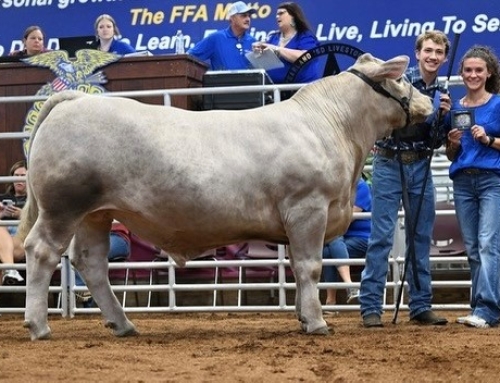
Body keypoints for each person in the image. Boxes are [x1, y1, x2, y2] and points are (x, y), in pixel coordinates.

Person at [359, 30, 452, 327]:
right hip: (389, 163)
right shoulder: (398, 81)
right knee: (381, 237)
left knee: (420, 237)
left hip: (421, 165)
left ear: (444, 57)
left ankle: (421, 305)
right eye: (428, 50)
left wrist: (442, 117)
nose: (433, 56)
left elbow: (436, 141)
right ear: (418, 53)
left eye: (438, 52)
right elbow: (383, 120)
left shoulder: (443, 90)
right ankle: (371, 306)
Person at [445, 46, 500, 328]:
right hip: (463, 181)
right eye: (468, 70)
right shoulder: (455, 108)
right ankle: (481, 306)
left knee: (489, 243)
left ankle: (488, 310)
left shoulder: (498, 104)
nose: (473, 74)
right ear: (461, 73)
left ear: (489, 73)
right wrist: (452, 144)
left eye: (479, 70)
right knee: (474, 248)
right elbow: (452, 154)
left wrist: (489, 140)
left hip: (493, 180)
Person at [322, 177, 371, 308]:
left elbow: (345, 219)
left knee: (331, 243)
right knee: (328, 249)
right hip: (342, 238)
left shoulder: (361, 187)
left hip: (362, 238)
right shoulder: (337, 187)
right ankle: (349, 288)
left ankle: (332, 300)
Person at [252, 2, 321, 85]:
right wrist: (257, 53)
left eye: (281, 13)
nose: (277, 16)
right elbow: (263, 64)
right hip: (276, 90)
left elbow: (305, 57)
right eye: (277, 14)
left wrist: (277, 49)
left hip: (302, 90)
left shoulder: (305, 35)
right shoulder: (272, 37)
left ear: (293, 16)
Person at [74, 222, 131, 308]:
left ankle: (80, 291)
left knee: (86, 252)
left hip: (116, 235)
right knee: (74, 251)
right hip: (89, 237)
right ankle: (82, 294)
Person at [187, 1, 257, 70]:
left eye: (249, 16)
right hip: (221, 81)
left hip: (248, 82)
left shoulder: (253, 42)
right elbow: (189, 56)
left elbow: (263, 69)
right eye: (244, 15)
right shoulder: (216, 39)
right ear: (232, 18)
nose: (248, 19)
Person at [0, 160, 27, 285]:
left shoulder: (35, 200)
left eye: (23, 176)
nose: (18, 179)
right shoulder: (2, 198)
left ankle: (9, 269)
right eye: (15, 176)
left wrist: (22, 215)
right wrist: (1, 215)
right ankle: (10, 270)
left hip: (22, 239)